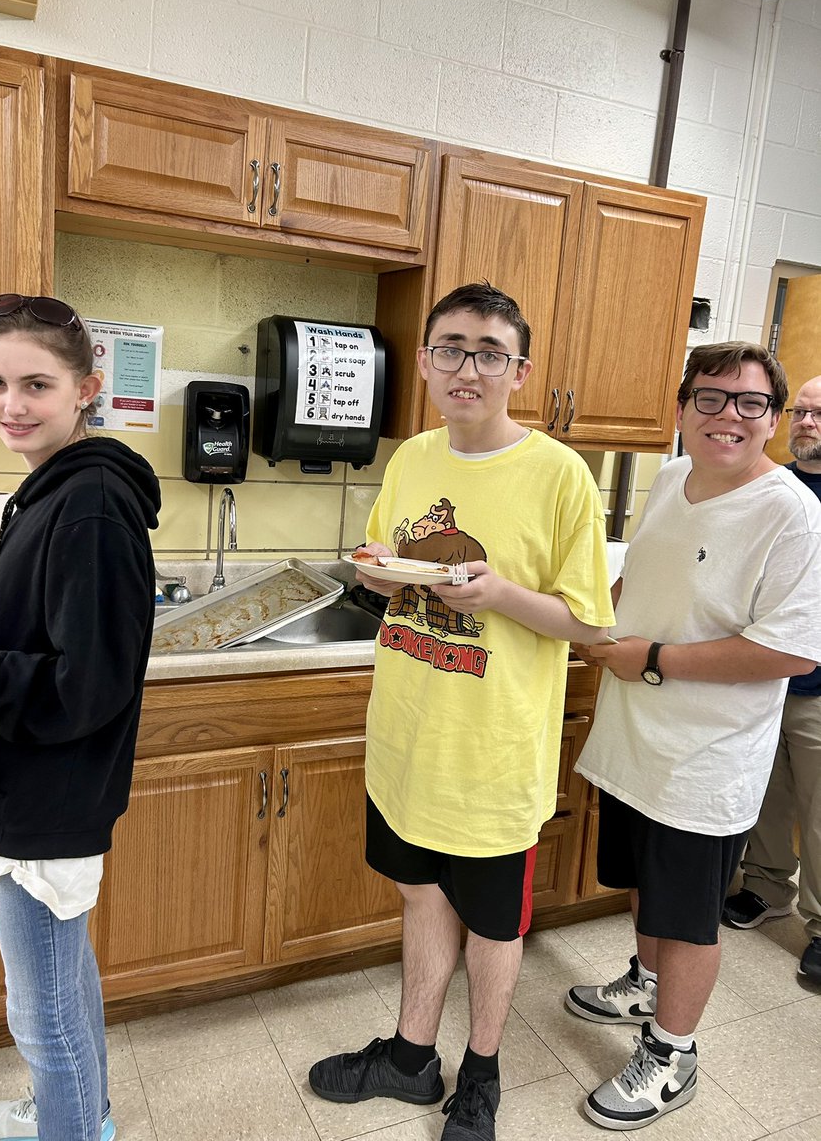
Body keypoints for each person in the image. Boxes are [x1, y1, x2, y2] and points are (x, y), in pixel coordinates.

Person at [308, 283, 615, 1141]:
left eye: (488, 351)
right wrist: (375, 569)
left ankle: (480, 1075)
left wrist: (505, 595)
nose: (466, 367)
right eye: (449, 348)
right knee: (420, 899)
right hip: (406, 740)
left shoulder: (560, 475)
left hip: (493, 755)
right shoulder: (411, 457)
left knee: (492, 920)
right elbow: (386, 555)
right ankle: (411, 1060)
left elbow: (590, 621)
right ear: (429, 362)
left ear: (519, 369)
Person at [0, 294, 161, 1141]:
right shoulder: (51, 485)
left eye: (36, 384)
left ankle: (72, 1126)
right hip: (31, 785)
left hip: (49, 798)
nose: (10, 404)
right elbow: (34, 627)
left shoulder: (90, 504)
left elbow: (85, 685)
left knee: (42, 1014)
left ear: (86, 388)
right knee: (64, 987)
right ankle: (80, 1115)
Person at [565, 344, 821, 1131]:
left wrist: (652, 659)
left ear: (773, 421)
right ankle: (644, 982)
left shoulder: (790, 512)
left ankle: (673, 1053)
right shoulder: (674, 478)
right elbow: (644, 578)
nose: (727, 417)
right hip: (636, 737)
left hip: (705, 758)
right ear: (682, 408)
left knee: (688, 914)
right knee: (648, 887)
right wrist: (588, 614)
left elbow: (792, 648)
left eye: (750, 404)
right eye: (710, 399)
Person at [722, 375, 821, 983]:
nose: (807, 422)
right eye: (802, 412)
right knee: (768, 792)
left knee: (819, 811)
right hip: (766, 676)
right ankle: (766, 888)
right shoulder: (772, 486)